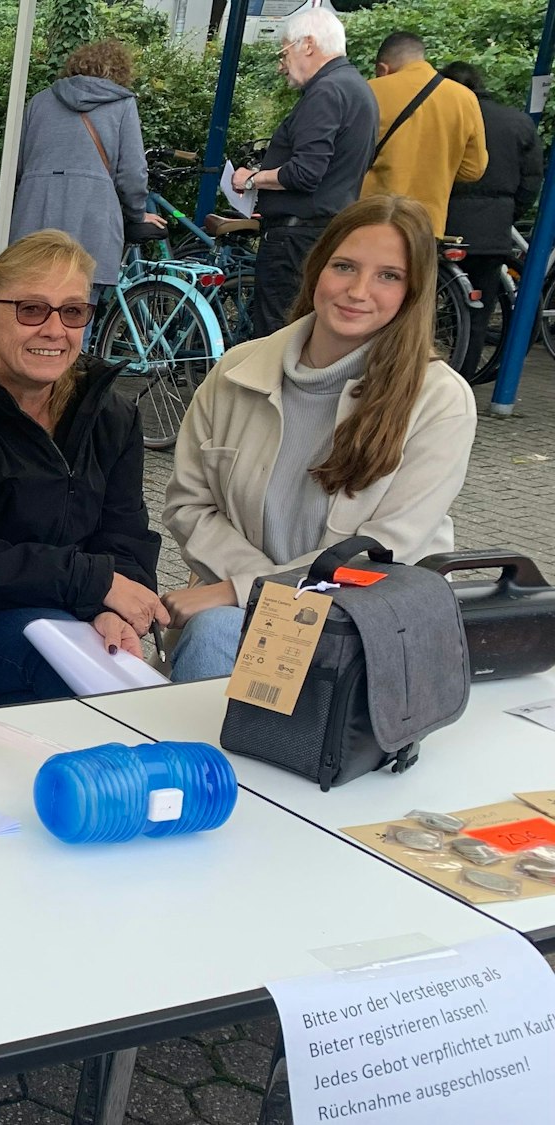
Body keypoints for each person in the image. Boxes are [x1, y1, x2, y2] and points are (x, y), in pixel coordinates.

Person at [161, 195, 477, 681]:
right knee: (219, 634)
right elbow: (189, 505)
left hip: (356, 625)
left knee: (217, 632)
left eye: (388, 276)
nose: (358, 291)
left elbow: (386, 550)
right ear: (316, 270)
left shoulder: (438, 400)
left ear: (413, 290)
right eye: (344, 266)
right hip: (236, 615)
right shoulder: (236, 372)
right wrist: (253, 595)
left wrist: (242, 591)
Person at [0, 231, 165, 705]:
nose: (54, 329)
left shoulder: (110, 414)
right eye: (31, 309)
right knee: (72, 673)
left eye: (72, 312)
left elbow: (126, 534)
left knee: (110, 667)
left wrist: (116, 613)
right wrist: (96, 584)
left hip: (74, 619)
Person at [234, 6, 378, 338]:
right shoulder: (358, 89)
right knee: (306, 336)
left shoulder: (326, 91)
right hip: (325, 230)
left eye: (284, 51)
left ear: (308, 44)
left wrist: (251, 179)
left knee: (276, 338)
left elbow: (305, 172)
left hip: (294, 238)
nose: (280, 63)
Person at [10, 41, 165, 296]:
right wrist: (138, 214)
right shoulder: (122, 105)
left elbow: (17, 167)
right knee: (77, 309)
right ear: (120, 72)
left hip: (34, 216)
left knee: (28, 306)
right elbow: (132, 174)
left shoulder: (39, 102)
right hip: (91, 221)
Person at [443, 60, 544, 376]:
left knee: (418, 306)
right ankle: (463, 385)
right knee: (478, 314)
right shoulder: (517, 122)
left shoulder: (441, 118)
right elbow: (531, 180)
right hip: (490, 234)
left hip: (440, 228)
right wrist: (507, 214)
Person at [363, 32, 486, 240]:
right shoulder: (464, 98)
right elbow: (474, 170)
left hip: (370, 216)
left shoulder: (369, 91)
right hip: (427, 225)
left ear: (383, 69)